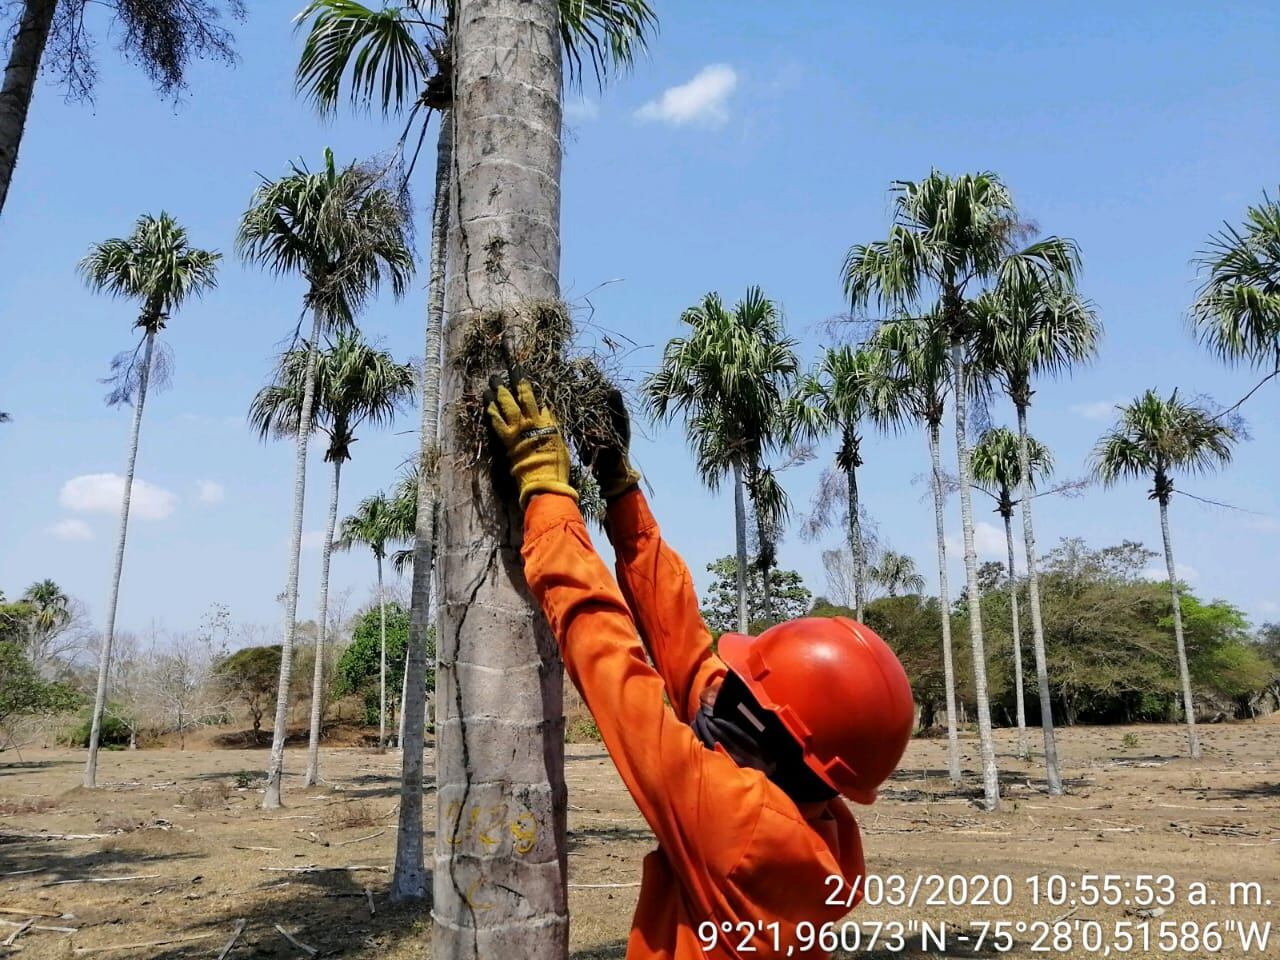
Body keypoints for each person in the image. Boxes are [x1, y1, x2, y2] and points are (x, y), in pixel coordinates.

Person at [484, 372, 915, 960]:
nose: (722, 686)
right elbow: (685, 648)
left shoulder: (739, 825)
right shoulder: (819, 822)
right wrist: (621, 493)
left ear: (771, 735)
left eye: (743, 692)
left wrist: (547, 493)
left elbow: (612, 661)